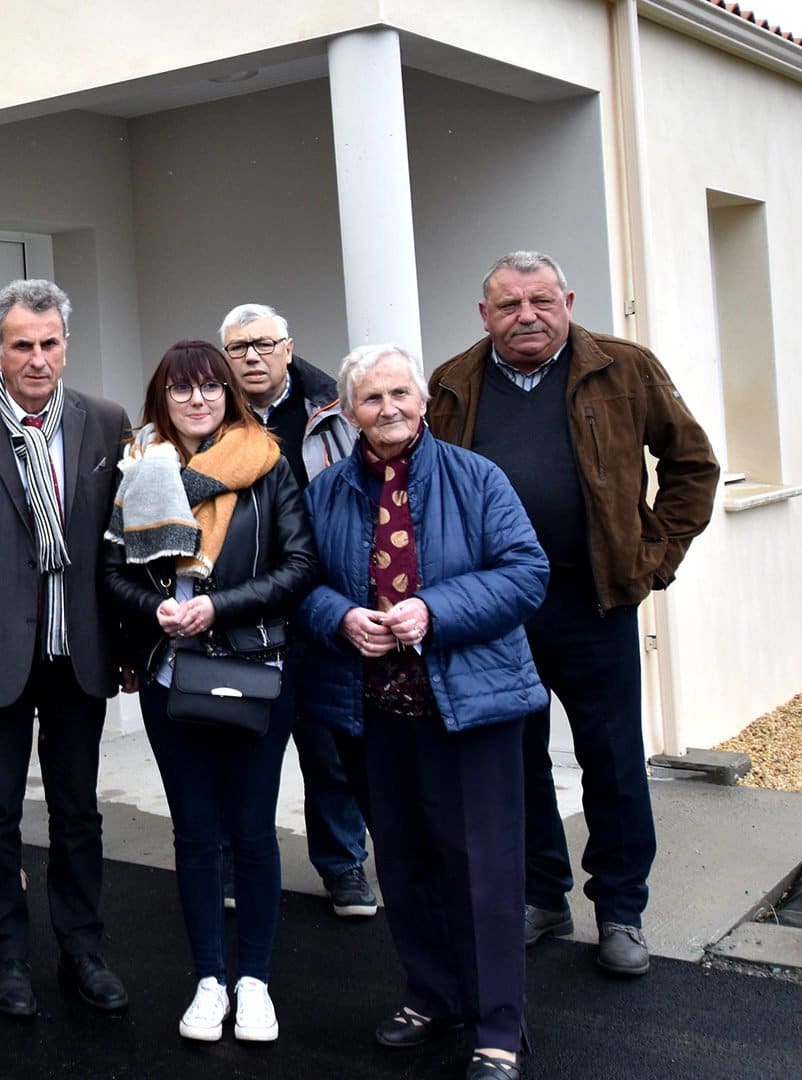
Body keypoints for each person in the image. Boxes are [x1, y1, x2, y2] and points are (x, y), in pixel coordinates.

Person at [428, 251, 719, 978]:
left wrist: (653, 558)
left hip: (593, 605)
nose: (526, 316)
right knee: (515, 761)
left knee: (613, 762)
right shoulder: (454, 383)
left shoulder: (625, 369)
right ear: (484, 314)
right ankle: (542, 897)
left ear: (567, 301)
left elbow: (693, 467)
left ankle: (622, 908)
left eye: (540, 301)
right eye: (508, 305)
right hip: (497, 612)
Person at [298, 344, 548, 1080]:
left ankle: (499, 1025)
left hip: (471, 709)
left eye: (401, 393)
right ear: (348, 412)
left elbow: (526, 573)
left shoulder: (477, 479)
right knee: (405, 864)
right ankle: (431, 995)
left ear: (424, 399)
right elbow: (302, 583)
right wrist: (342, 618)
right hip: (374, 710)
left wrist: (432, 611)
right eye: (371, 399)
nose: (390, 409)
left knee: (485, 871)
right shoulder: (326, 492)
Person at [0, 278, 132, 1019]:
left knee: (79, 812)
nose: (37, 359)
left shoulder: (107, 423)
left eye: (49, 344)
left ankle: (83, 948)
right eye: (22, 346)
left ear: (65, 346)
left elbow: (128, 551)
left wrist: (130, 644)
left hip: (80, 652)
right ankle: (6, 957)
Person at [101, 341, 316, 1042]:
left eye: (211, 388)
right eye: (182, 389)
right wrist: (152, 609)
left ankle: (254, 981)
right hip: (172, 674)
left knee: (253, 832)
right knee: (195, 837)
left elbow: (300, 564)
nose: (198, 400)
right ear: (161, 400)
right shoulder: (137, 467)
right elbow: (111, 572)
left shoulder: (268, 461)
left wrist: (220, 607)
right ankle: (208, 981)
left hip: (256, 671)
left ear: (231, 394)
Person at [219, 303, 375, 919]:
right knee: (239, 744)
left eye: (263, 344)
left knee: (328, 745)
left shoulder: (331, 409)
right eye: (238, 348)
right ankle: (236, 862)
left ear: (288, 348)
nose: (252, 357)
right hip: (240, 608)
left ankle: (342, 865)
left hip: (319, 601)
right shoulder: (211, 413)